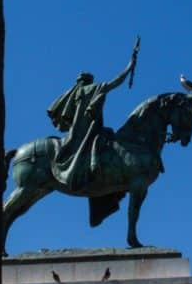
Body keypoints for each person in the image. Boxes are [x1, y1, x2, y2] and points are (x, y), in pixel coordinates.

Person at [47, 38, 139, 193]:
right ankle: (94, 165)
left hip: (75, 132)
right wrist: (130, 65)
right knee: (107, 137)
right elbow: (117, 81)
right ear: (90, 80)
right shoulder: (96, 88)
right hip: (90, 131)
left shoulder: (74, 93)